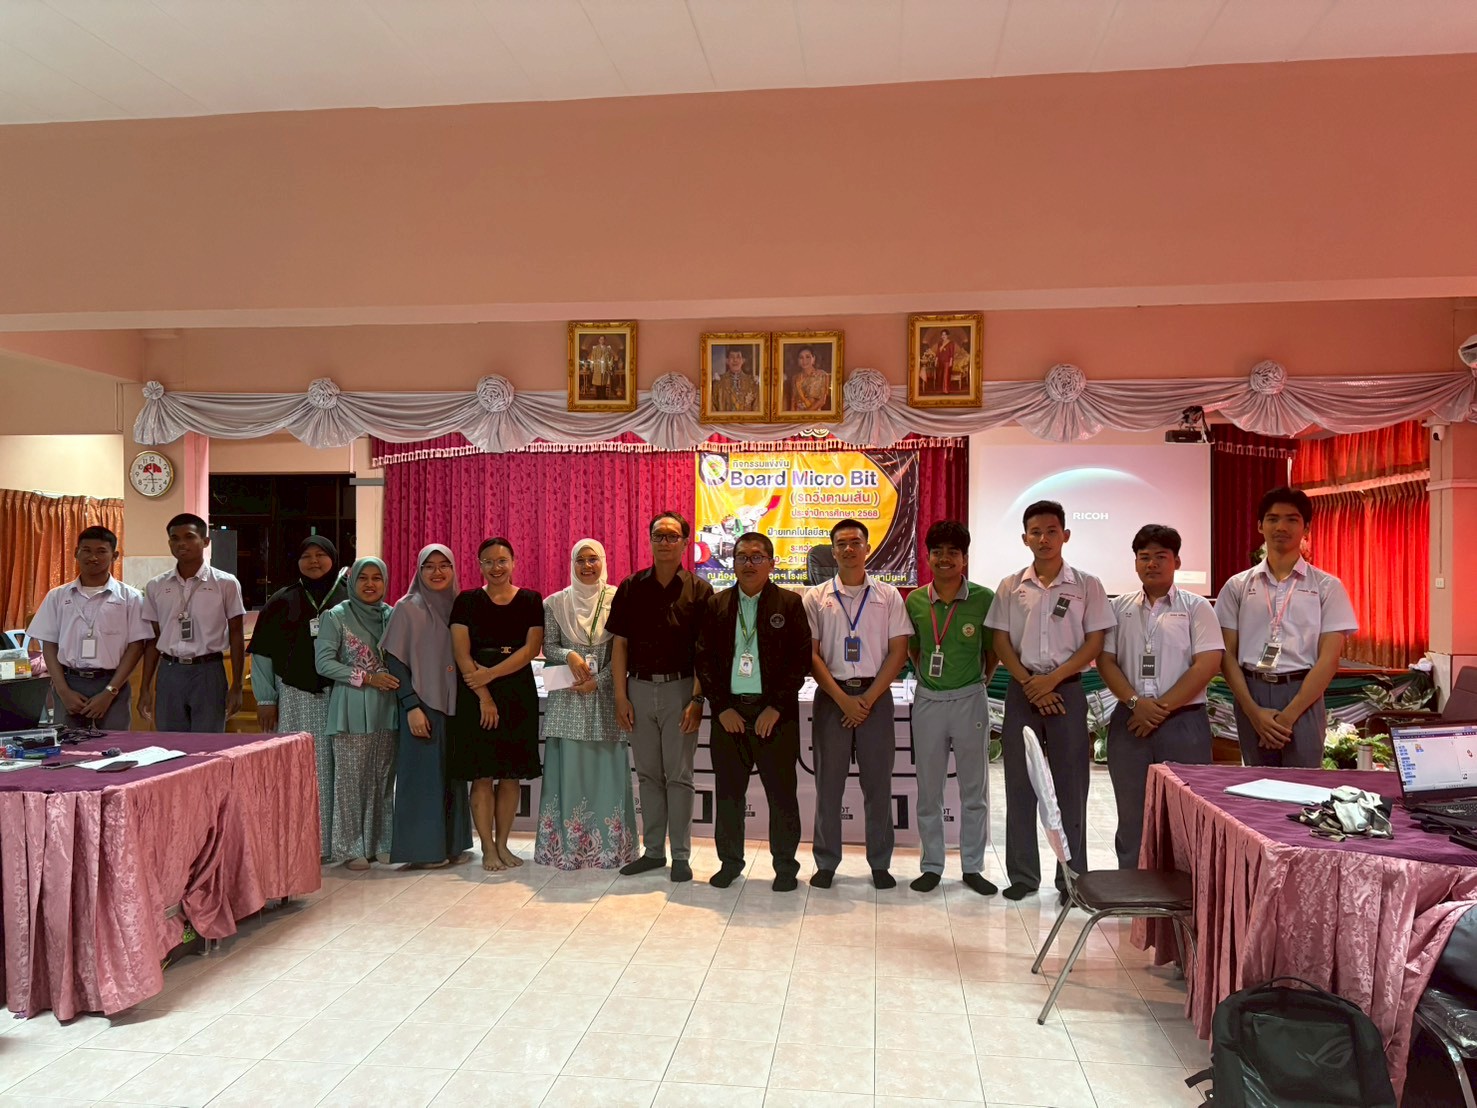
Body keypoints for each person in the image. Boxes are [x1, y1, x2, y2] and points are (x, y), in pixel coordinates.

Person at [986, 499, 1114, 904]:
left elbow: (1095, 641)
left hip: (1067, 691)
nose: (1044, 539)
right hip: (1022, 691)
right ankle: (1023, 875)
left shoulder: (1087, 585)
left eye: (1051, 531)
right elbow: (1000, 641)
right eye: (1036, 532)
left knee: (1070, 787)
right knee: (1019, 785)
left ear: (1065, 535)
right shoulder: (1011, 585)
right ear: (1024, 538)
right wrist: (1030, 683)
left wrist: (1052, 681)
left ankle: (1072, 880)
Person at [1097, 525, 1222, 868]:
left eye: (1160, 556)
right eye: (1144, 557)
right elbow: (1106, 661)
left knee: (1186, 813)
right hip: (1131, 721)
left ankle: (1184, 886)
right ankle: (1131, 884)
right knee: (1131, 812)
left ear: (1176, 561)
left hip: (1184, 723)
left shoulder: (1197, 607)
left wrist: (1160, 709)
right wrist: (1136, 704)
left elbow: (1207, 663)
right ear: (1135, 563)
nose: (1151, 563)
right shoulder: (1118, 608)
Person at [695, 531, 811, 891]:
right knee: (729, 794)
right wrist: (722, 707)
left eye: (757, 557)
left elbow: (800, 661)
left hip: (775, 716)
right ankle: (730, 862)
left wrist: (775, 707)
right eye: (742, 557)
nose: (749, 563)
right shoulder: (717, 604)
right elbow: (705, 660)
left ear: (771, 563)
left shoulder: (789, 603)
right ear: (733, 563)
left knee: (782, 794)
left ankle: (786, 867)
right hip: (730, 714)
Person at [803, 518, 912, 889]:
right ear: (833, 551)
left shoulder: (888, 596)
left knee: (878, 785)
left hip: (875, 698)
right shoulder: (815, 598)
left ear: (867, 548)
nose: (849, 549)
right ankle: (826, 862)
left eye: (855, 542)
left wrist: (866, 699)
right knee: (828, 786)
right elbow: (812, 655)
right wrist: (842, 699)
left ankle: (880, 863)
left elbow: (899, 651)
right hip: (831, 698)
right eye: (841, 543)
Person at [1216, 488, 1358, 768]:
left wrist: (1290, 715)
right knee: (1256, 785)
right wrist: (1253, 712)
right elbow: (1226, 654)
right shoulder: (1237, 586)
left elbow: (1329, 659)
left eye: (1292, 519)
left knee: (1303, 784)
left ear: (1307, 527)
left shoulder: (1327, 586)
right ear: (1260, 525)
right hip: (1251, 693)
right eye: (1273, 519)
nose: (1281, 527)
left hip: (1303, 694)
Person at [608, 511, 713, 883]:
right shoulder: (631, 587)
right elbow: (620, 645)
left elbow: (705, 653)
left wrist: (697, 700)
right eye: (658, 535)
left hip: (681, 690)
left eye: (672, 536)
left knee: (680, 776)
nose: (665, 542)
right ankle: (653, 852)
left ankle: (681, 855)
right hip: (637, 689)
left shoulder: (700, 591)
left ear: (685, 542)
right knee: (649, 775)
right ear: (650, 540)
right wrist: (620, 696)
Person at [904, 520, 997, 894]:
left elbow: (992, 652)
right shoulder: (915, 600)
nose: (945, 558)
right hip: (929, 700)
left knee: (975, 790)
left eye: (953, 552)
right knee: (929, 789)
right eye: (937, 552)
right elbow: (914, 650)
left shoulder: (983, 598)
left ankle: (973, 867)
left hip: (970, 699)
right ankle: (931, 865)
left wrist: (977, 684)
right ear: (927, 557)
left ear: (965, 558)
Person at [534, 539, 636, 870]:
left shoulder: (619, 600)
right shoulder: (555, 603)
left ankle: (611, 850)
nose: (587, 566)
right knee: (570, 774)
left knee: (606, 774)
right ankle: (565, 850)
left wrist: (600, 681)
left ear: (603, 561)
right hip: (568, 699)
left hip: (607, 700)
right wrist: (570, 655)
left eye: (593, 559)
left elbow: (626, 651)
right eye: (581, 560)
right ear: (572, 564)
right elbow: (548, 646)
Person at [449, 538, 544, 872]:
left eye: (502, 560)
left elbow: (530, 649)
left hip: (517, 692)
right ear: (479, 565)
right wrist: (485, 695)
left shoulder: (530, 600)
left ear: (514, 562)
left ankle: (503, 844)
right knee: (482, 774)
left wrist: (490, 674)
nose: (496, 567)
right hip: (475, 693)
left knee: (511, 775)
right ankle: (487, 848)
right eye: (488, 561)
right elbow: (461, 653)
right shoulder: (466, 601)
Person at [249, 535, 348, 857]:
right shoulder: (282, 600)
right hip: (296, 697)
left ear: (333, 557)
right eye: (307, 556)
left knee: (342, 769)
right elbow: (262, 654)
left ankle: (343, 843)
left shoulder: (349, 597)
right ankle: (306, 844)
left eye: (321, 555)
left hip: (346, 695)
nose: (314, 561)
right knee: (303, 769)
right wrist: (266, 699)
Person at [382, 544, 473, 868]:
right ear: (418, 571)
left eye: (443, 565)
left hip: (456, 705)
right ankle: (422, 851)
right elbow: (394, 661)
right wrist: (411, 706)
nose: (437, 572)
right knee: (421, 780)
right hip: (423, 705)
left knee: (452, 777)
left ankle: (452, 845)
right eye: (429, 566)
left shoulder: (461, 606)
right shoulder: (407, 608)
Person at [314, 557, 398, 869]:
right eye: (363, 578)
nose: (370, 584)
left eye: (377, 578)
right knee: (351, 781)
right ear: (352, 581)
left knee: (382, 776)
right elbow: (323, 663)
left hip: (387, 706)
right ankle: (351, 848)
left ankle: (381, 842)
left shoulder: (391, 615)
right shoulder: (336, 616)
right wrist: (366, 678)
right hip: (351, 704)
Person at [26, 526, 152, 731]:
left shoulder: (131, 598)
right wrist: (63, 691)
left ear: (114, 556)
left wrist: (110, 692)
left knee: (115, 745)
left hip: (112, 684)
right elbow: (49, 645)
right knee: (68, 745)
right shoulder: (57, 596)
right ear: (76, 552)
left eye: (101, 551)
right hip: (69, 683)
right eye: (86, 550)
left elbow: (136, 647)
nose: (93, 557)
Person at [139, 513, 246, 732]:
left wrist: (237, 685)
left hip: (208, 671)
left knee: (208, 742)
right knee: (169, 742)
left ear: (205, 541)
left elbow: (236, 634)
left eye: (189, 537)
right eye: (175, 538)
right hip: (169, 670)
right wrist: (145, 687)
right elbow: (153, 640)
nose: (181, 544)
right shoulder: (156, 585)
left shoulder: (225, 583)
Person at [713, 346, 759, 413]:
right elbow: (712, 408)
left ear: (743, 360)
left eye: (738, 357)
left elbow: (757, 409)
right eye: (732, 357)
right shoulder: (718, 383)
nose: (735, 360)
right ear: (727, 361)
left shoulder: (752, 383)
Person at [789, 346, 830, 412]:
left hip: (814, 414)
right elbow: (793, 401)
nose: (804, 360)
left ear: (813, 358)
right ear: (798, 360)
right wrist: (792, 416)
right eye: (801, 357)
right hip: (798, 414)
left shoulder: (822, 375)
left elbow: (821, 401)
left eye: (807, 357)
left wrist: (806, 413)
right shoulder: (795, 378)